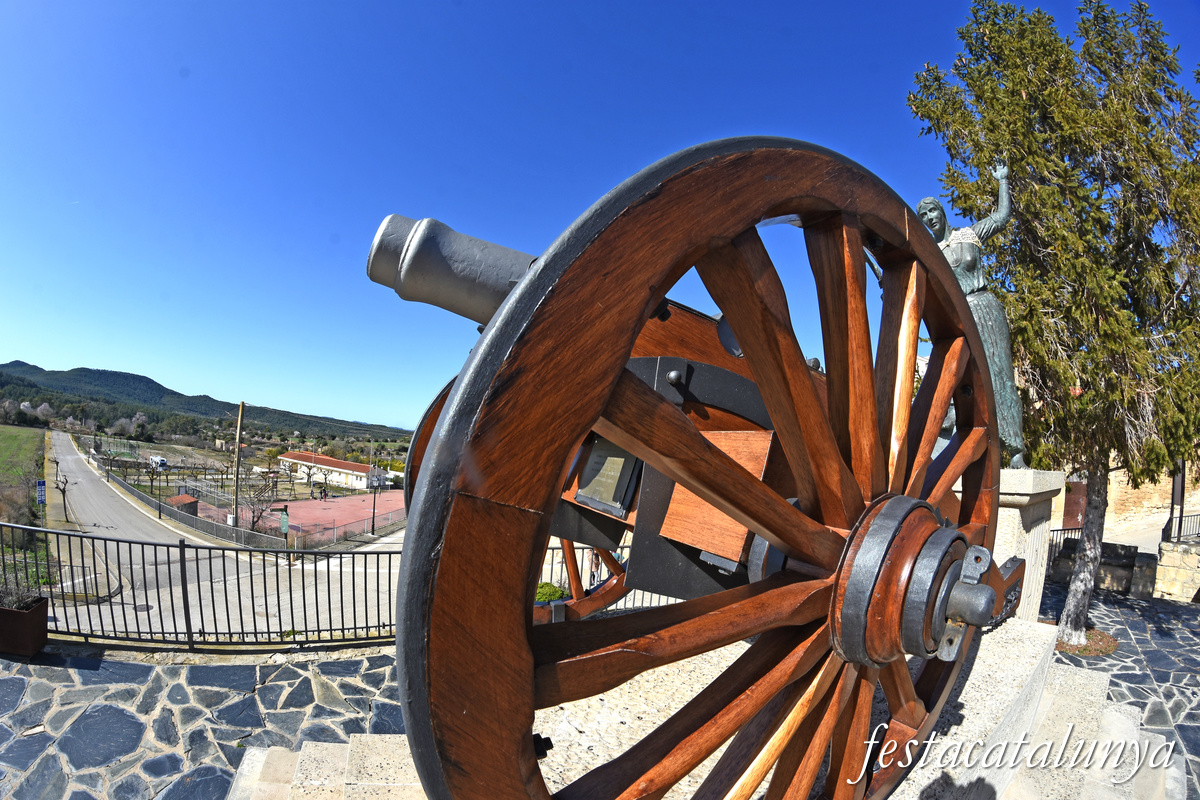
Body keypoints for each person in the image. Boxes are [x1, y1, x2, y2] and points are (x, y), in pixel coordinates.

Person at [917, 164, 1025, 467]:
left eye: (932, 212)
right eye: (923, 216)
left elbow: (1002, 218)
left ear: (942, 212)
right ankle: (949, 445)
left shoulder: (969, 234)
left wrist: (1003, 180)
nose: (929, 218)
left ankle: (1015, 450)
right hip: (956, 318)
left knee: (1000, 376)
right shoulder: (930, 253)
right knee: (952, 378)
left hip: (984, 308)